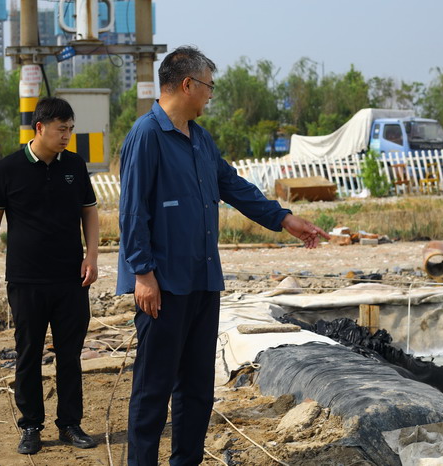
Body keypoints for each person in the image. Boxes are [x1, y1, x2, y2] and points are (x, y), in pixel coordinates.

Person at [117, 46, 330, 466]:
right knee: (153, 388)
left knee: (196, 388)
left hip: (202, 280)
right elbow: (132, 211)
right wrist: (142, 273)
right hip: (163, 284)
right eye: (209, 86)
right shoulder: (146, 135)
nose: (211, 94)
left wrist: (284, 218)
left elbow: (232, 186)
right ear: (187, 85)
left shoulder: (199, 139)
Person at [0, 97, 100, 455]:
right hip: (26, 279)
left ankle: (70, 424)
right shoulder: (9, 168)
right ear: (40, 127)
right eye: (61, 129)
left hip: (70, 279)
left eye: (70, 129)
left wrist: (92, 256)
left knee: (70, 354)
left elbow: (89, 212)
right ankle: (31, 425)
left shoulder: (75, 165)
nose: (67, 136)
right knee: (28, 353)